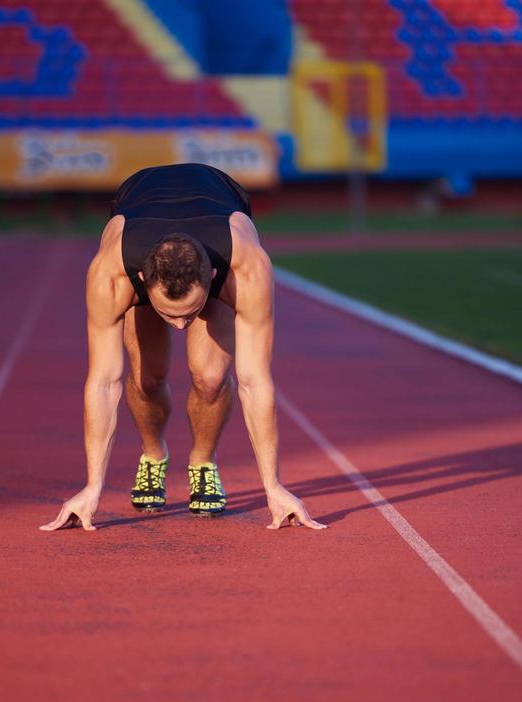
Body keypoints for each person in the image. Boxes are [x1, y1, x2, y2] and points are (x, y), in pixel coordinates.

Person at [40, 162, 326, 533]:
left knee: (210, 377)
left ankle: (203, 462)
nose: (178, 324)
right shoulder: (112, 272)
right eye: (167, 313)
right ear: (142, 281)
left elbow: (255, 381)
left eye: (189, 312)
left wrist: (273, 486)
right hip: (138, 199)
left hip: (218, 201)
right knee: (147, 377)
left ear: (211, 278)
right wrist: (92, 486)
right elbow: (104, 381)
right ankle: (153, 453)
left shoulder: (245, 268)